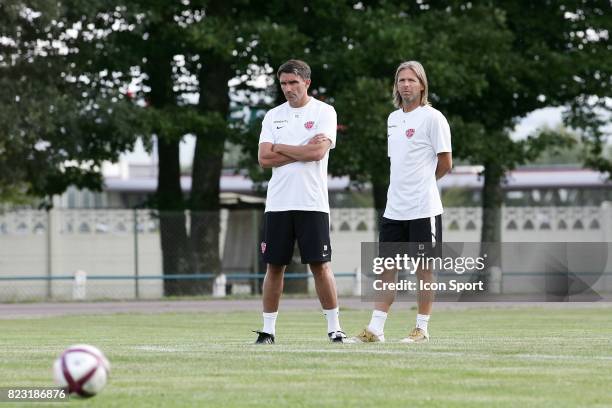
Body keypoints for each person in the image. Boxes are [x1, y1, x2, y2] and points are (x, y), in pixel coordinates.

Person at [352, 61, 452, 343]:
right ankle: (375, 329)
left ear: (422, 85)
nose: (406, 85)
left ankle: (422, 329)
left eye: (411, 80)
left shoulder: (433, 118)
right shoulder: (392, 119)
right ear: (396, 86)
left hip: (424, 209)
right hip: (394, 209)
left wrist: (423, 186)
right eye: (401, 80)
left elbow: (445, 163)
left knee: (424, 270)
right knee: (386, 269)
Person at [254, 59, 348, 344]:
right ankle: (268, 330)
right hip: (278, 204)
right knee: (274, 266)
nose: (288, 89)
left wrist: (280, 147)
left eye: (293, 83)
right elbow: (263, 158)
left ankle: (334, 328)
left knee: (320, 265)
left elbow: (318, 152)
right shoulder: (273, 116)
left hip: (312, 202)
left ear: (307, 82)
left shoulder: (324, 111)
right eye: (283, 84)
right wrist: (299, 148)